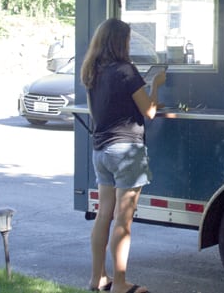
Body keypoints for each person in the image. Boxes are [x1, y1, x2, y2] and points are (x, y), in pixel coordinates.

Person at [81, 18, 165, 293]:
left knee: (103, 214)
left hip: (101, 150)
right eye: (128, 39)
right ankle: (119, 284)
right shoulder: (126, 71)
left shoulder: (92, 71)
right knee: (123, 219)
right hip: (126, 150)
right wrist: (156, 85)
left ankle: (97, 279)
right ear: (121, 42)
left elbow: (97, 112)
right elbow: (149, 111)